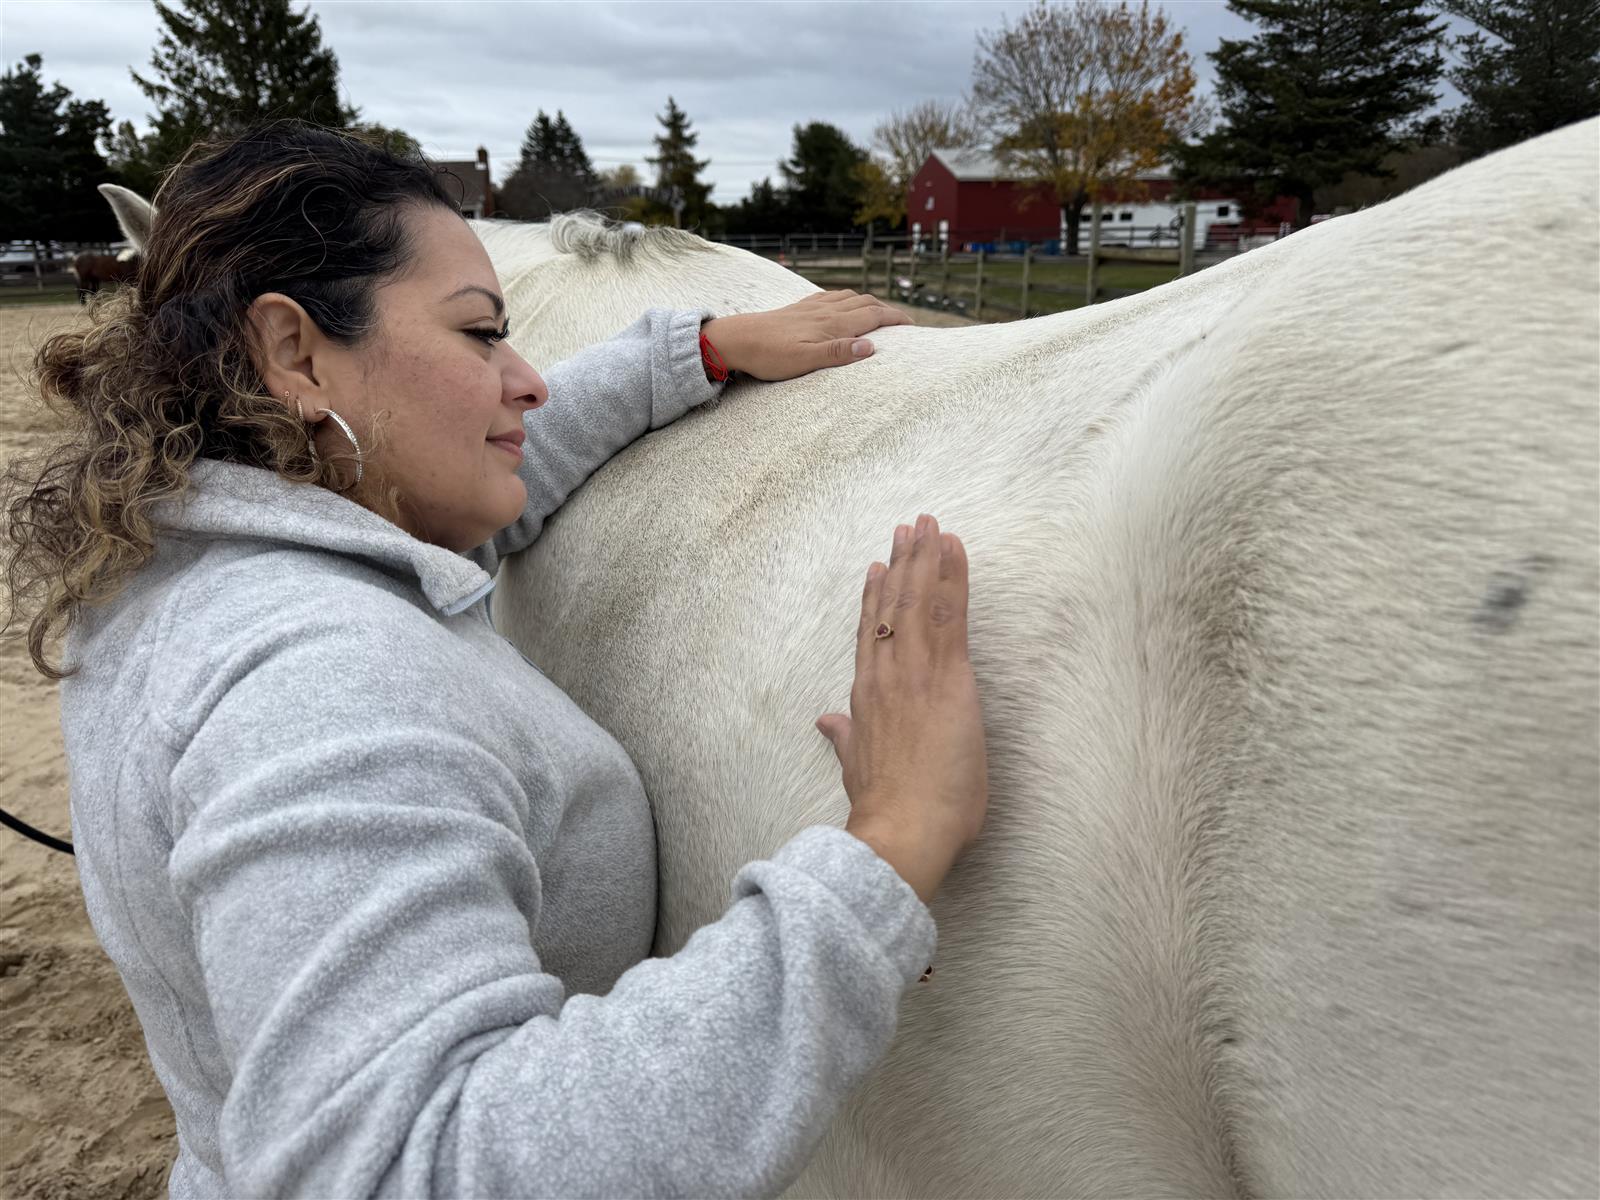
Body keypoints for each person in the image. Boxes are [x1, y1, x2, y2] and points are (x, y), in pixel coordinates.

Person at [0, 121, 989, 1198]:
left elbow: (476, 493)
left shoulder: (198, 557)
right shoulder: (315, 673)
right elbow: (405, 1170)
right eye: (479, 334)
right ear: (294, 354)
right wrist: (891, 845)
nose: (528, 382)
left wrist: (694, 351)